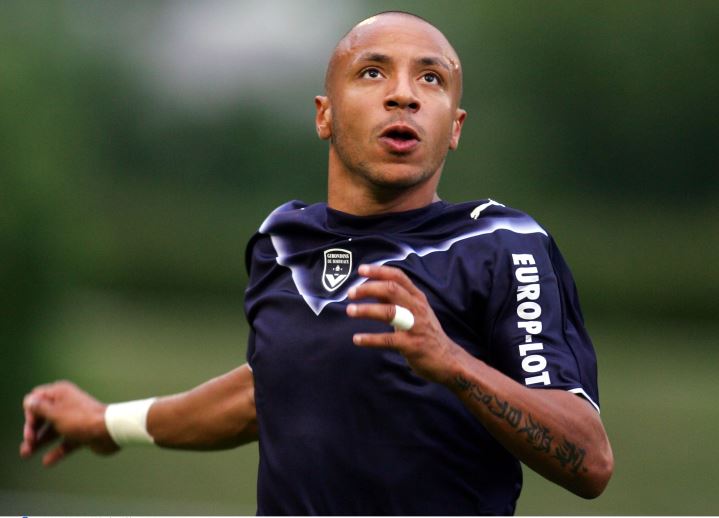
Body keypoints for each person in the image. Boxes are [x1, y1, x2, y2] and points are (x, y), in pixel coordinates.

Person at [20, 11, 613, 515]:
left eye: (430, 78)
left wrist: (453, 363)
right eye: (373, 72)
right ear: (324, 115)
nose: (403, 94)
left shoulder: (502, 243)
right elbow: (272, 389)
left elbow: (588, 459)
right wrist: (106, 423)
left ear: (454, 127)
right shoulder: (282, 242)